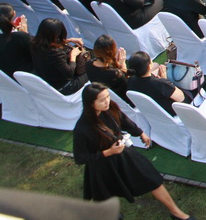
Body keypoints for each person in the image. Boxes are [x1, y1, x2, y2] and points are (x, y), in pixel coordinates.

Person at [73, 84, 193, 218]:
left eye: (107, 96)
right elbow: (81, 158)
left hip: (124, 155)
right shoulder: (82, 129)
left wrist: (140, 133)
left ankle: (176, 213)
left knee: (152, 179)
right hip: (102, 167)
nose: (107, 101)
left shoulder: (110, 108)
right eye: (102, 100)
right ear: (90, 103)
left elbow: (123, 120)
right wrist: (109, 152)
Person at [126, 51, 196, 115]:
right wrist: (166, 81)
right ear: (149, 66)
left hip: (155, 113)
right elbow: (181, 98)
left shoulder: (130, 81)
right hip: (172, 112)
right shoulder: (161, 84)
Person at [31, 17, 87, 93]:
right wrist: (72, 56)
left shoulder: (34, 43)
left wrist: (69, 40)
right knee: (91, 69)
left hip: (46, 79)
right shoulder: (54, 53)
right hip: (64, 86)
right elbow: (69, 73)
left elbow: (48, 41)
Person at [0, 3, 33, 77]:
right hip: (25, 76)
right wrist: (25, 34)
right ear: (14, 14)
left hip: (6, 78)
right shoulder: (20, 37)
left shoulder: (18, 36)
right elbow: (39, 51)